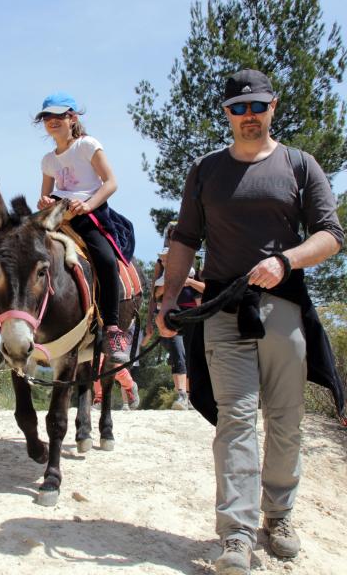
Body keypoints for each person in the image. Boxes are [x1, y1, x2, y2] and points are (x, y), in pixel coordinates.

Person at [156, 69, 344, 575]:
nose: (249, 117)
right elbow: (185, 240)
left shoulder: (300, 165)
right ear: (227, 114)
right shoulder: (206, 171)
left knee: (286, 421)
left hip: (284, 306)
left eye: (257, 107)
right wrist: (168, 301)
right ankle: (235, 534)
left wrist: (285, 260)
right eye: (239, 109)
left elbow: (331, 234)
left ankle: (278, 516)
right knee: (236, 419)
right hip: (222, 310)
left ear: (273, 107)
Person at [0, 92, 134, 365]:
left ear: (73, 118)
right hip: (55, 217)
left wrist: (89, 205)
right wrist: (44, 202)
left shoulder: (88, 145)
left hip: (88, 216)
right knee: (18, 255)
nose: (52, 121)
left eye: (59, 116)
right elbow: (44, 196)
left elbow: (111, 182)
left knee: (104, 258)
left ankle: (112, 327)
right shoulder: (48, 160)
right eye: (47, 117)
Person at [145, 245, 204, 410]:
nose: (164, 262)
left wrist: (190, 281)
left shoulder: (194, 271)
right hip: (172, 318)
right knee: (178, 353)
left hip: (192, 316)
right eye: (163, 259)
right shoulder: (160, 278)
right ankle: (182, 395)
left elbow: (205, 290)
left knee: (191, 356)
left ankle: (191, 397)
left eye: (167, 258)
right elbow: (156, 294)